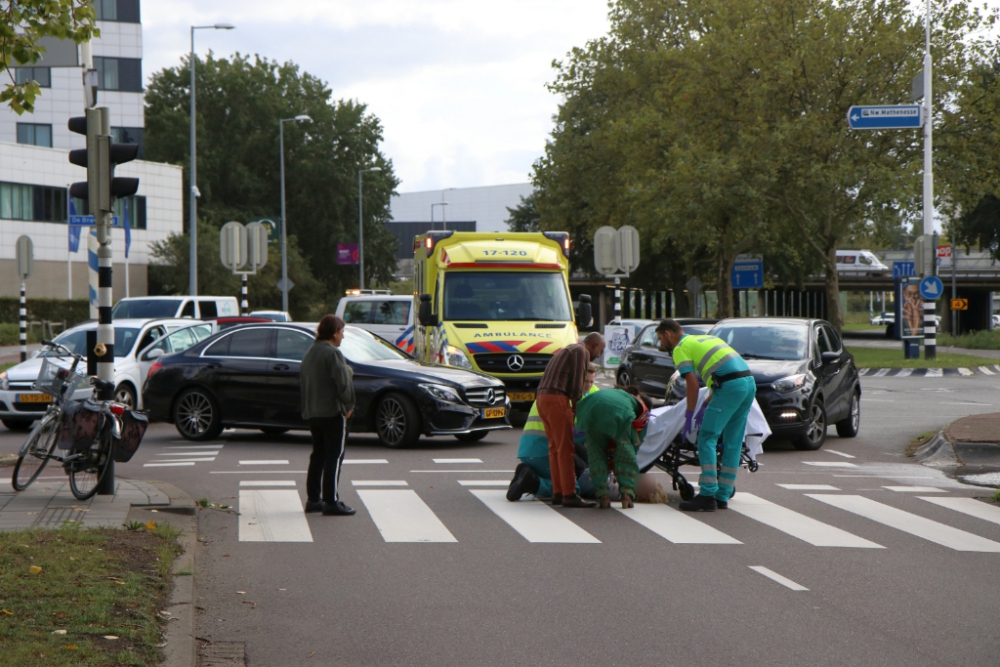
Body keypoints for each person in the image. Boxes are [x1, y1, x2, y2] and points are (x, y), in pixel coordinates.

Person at [655, 318, 754, 512]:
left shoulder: (680, 347)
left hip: (730, 387)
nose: (660, 344)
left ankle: (708, 494)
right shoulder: (705, 339)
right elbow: (720, 377)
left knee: (706, 438)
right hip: (748, 384)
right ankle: (723, 495)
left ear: (668, 334)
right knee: (733, 442)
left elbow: (692, 384)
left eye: (660, 338)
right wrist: (704, 406)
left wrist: (690, 413)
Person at [507, 365, 598, 501]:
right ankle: (533, 482)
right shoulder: (570, 399)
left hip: (530, 450)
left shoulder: (555, 391)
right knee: (572, 488)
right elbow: (579, 440)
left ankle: (528, 474)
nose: (589, 386)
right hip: (544, 452)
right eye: (586, 381)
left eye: (591, 382)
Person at [535, 332, 605, 508]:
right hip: (557, 399)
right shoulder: (581, 352)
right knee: (566, 449)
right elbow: (576, 385)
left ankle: (558, 492)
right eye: (601, 350)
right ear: (595, 345)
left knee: (555, 448)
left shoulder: (568, 349)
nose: (599, 355)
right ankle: (569, 494)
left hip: (543, 398)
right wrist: (576, 410)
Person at [301, 315, 356, 516]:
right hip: (332, 411)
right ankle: (331, 501)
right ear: (334, 333)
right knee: (334, 456)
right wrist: (349, 405)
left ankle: (313, 499)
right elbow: (342, 381)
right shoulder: (332, 353)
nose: (343, 336)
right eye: (341, 332)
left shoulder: (311, 352)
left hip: (313, 411)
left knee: (318, 455)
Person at [574, 388, 648, 509]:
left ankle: (603, 495)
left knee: (596, 454)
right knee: (625, 455)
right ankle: (627, 495)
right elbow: (636, 442)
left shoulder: (616, 394)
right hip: (619, 413)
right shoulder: (641, 406)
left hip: (593, 410)